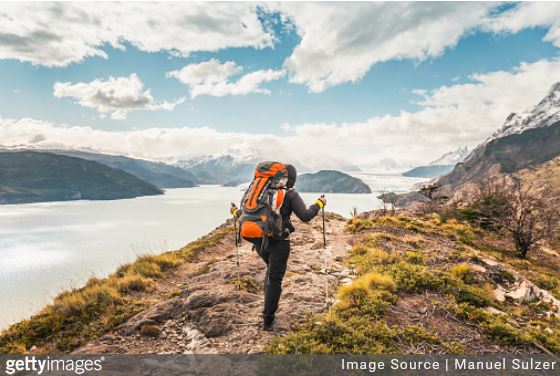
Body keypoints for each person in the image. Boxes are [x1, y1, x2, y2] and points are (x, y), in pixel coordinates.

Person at [230, 164, 327, 331]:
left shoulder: (260, 192)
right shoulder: (290, 193)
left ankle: (268, 307)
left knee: (271, 271)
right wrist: (319, 203)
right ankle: (268, 320)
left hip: (259, 240)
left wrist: (235, 212)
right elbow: (305, 216)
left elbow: (250, 214)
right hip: (279, 242)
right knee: (275, 278)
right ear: (292, 179)